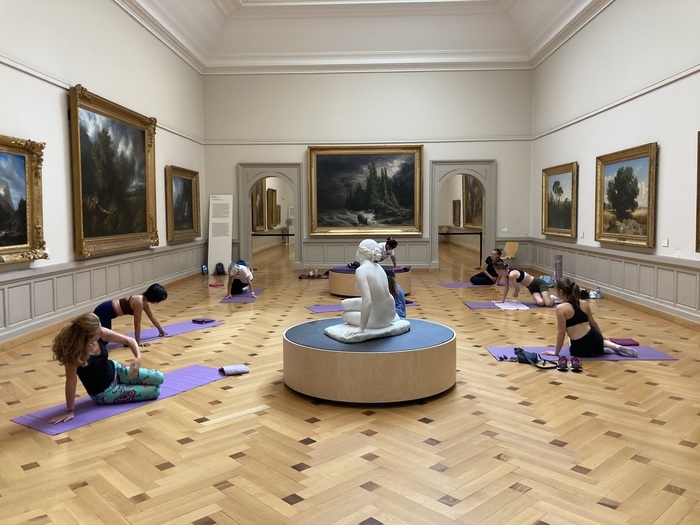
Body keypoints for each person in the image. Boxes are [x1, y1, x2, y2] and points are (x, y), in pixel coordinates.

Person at [49, 313, 164, 424]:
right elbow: (71, 381)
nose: (102, 331)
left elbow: (129, 340)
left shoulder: (101, 333)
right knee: (155, 391)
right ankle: (123, 387)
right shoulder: (74, 353)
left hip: (116, 370)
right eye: (98, 332)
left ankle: (124, 382)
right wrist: (70, 411)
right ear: (87, 336)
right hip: (104, 392)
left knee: (159, 377)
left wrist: (138, 358)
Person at [543, 278, 638, 365]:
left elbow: (561, 332)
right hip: (595, 338)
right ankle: (613, 346)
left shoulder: (561, 308)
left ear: (561, 291)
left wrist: (556, 352)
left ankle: (603, 349)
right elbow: (594, 324)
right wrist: (601, 339)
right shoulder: (584, 304)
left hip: (581, 347)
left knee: (569, 339)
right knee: (593, 338)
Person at [340, 239, 398, 331]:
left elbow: (367, 301)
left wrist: (361, 329)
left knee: (345, 315)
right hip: (388, 315)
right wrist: (392, 317)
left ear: (361, 251)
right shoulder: (379, 268)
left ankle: (368, 320)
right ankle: (380, 316)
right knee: (344, 304)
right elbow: (388, 296)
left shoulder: (361, 270)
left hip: (376, 321)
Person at [93, 283, 168, 347]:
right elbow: (137, 324)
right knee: (103, 340)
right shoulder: (139, 301)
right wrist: (137, 343)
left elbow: (151, 316)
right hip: (103, 311)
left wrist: (161, 331)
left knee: (103, 337)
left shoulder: (144, 302)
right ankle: (84, 345)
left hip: (107, 313)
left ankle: (126, 342)